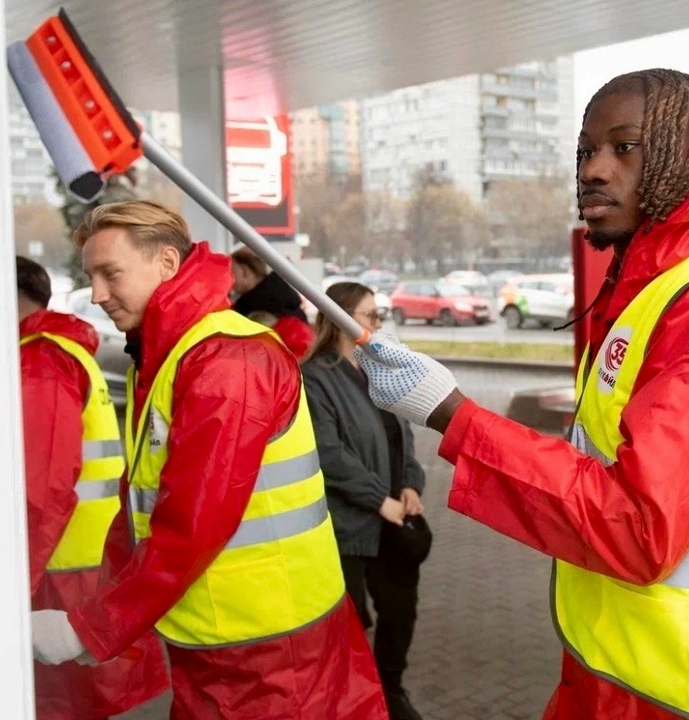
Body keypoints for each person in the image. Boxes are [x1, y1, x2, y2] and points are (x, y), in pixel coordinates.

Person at [354, 68, 689, 720]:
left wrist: (451, 413)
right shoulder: (657, 295)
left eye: (624, 146)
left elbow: (638, 527)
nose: (593, 169)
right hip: (625, 680)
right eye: (586, 150)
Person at [29, 201, 387, 720]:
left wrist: (93, 625)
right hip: (235, 645)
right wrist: (98, 616)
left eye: (111, 273)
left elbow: (191, 523)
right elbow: (141, 510)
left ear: (167, 264)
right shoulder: (168, 355)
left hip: (268, 655)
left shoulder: (224, 360)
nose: (98, 294)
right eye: (91, 277)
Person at [16, 256, 168, 720]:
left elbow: (42, 490)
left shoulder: (41, 360)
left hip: (56, 576)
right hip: (85, 566)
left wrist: (16, 581)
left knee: (63, 706)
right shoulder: (64, 352)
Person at [301, 282, 431, 720]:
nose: (378, 324)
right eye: (370, 315)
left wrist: (411, 483)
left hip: (394, 516)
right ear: (340, 319)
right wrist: (379, 500)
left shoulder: (379, 368)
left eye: (379, 315)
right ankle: (354, 698)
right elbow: (329, 451)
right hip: (349, 527)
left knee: (401, 612)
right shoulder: (316, 376)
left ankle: (390, 688)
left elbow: (402, 433)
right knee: (352, 620)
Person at [230, 246, 315, 358]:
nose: (230, 278)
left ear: (245, 272)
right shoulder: (285, 300)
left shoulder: (248, 310)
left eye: (232, 272)